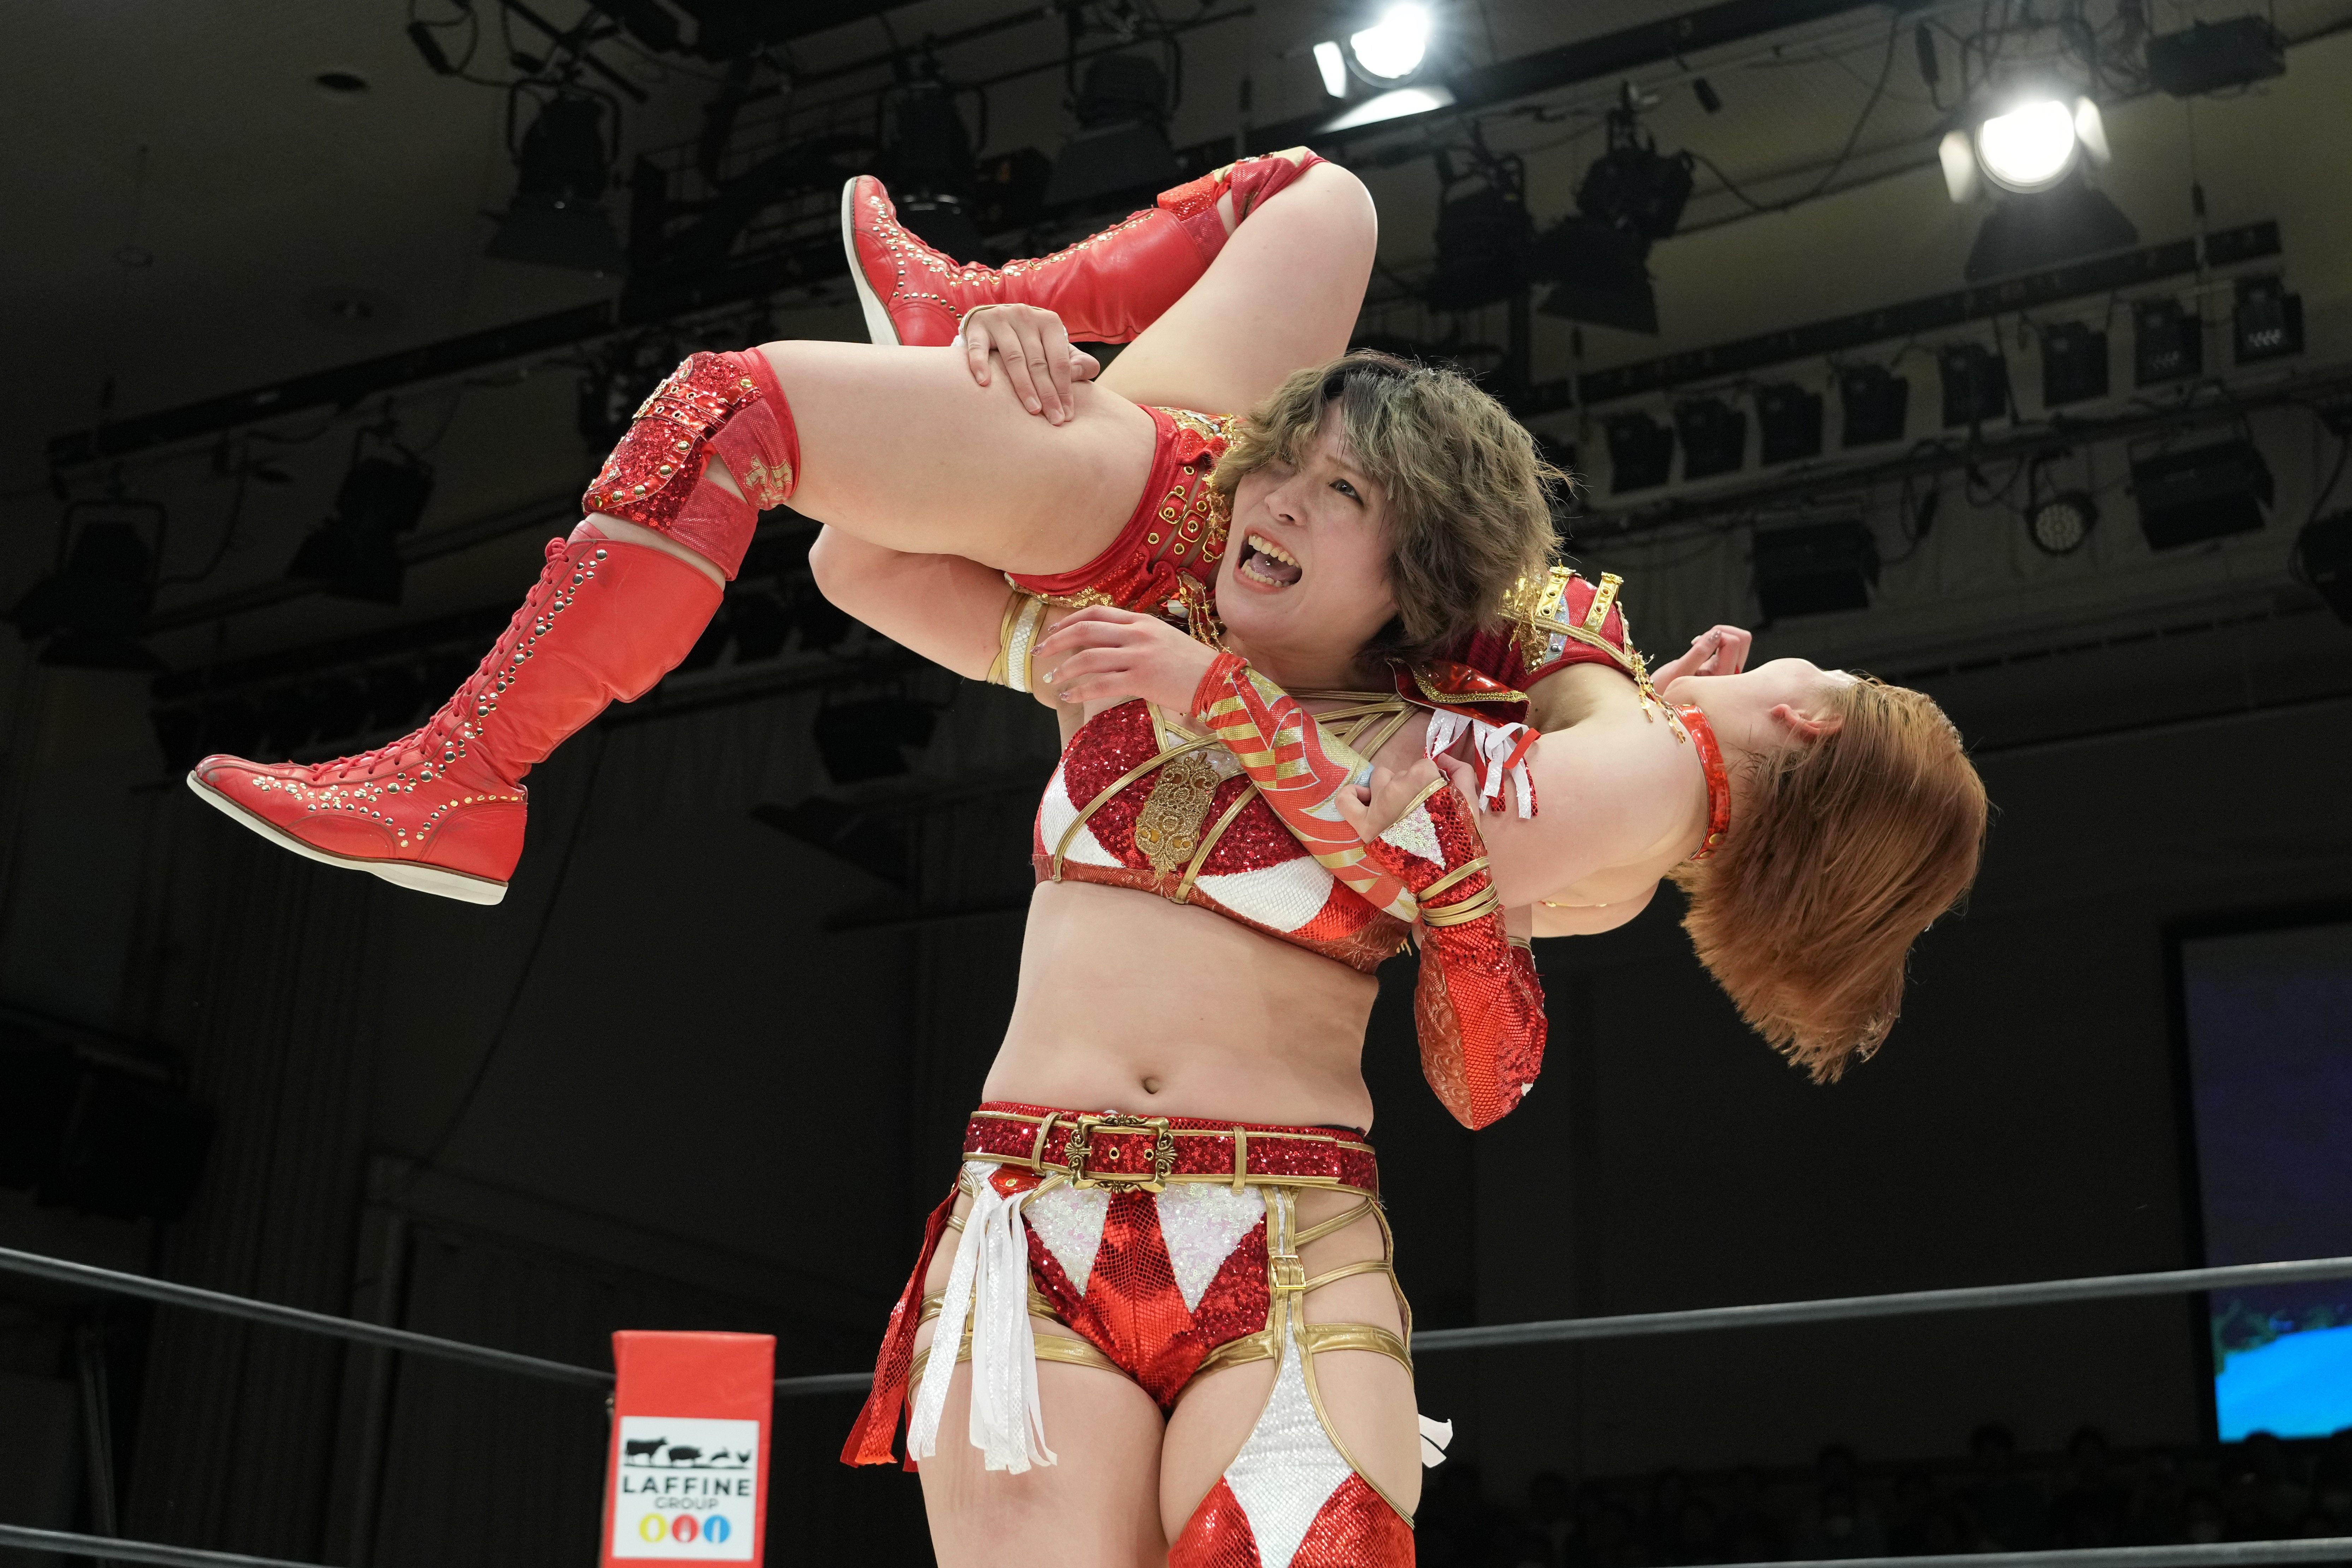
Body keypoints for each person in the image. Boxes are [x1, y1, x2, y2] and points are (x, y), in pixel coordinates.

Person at [184, 150, 1986, 1563]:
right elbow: (861, 559)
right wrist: (987, 384)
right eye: (1293, 474)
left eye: (1345, 497)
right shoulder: (1145, 657)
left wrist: (1461, 666)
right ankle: (967, 308)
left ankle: (492, 753)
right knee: (1313, 207)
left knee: (1293, 219)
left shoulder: (1519, 754)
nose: (1755, 660)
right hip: (1036, 1205)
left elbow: (1461, 845)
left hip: (1277, 1225)